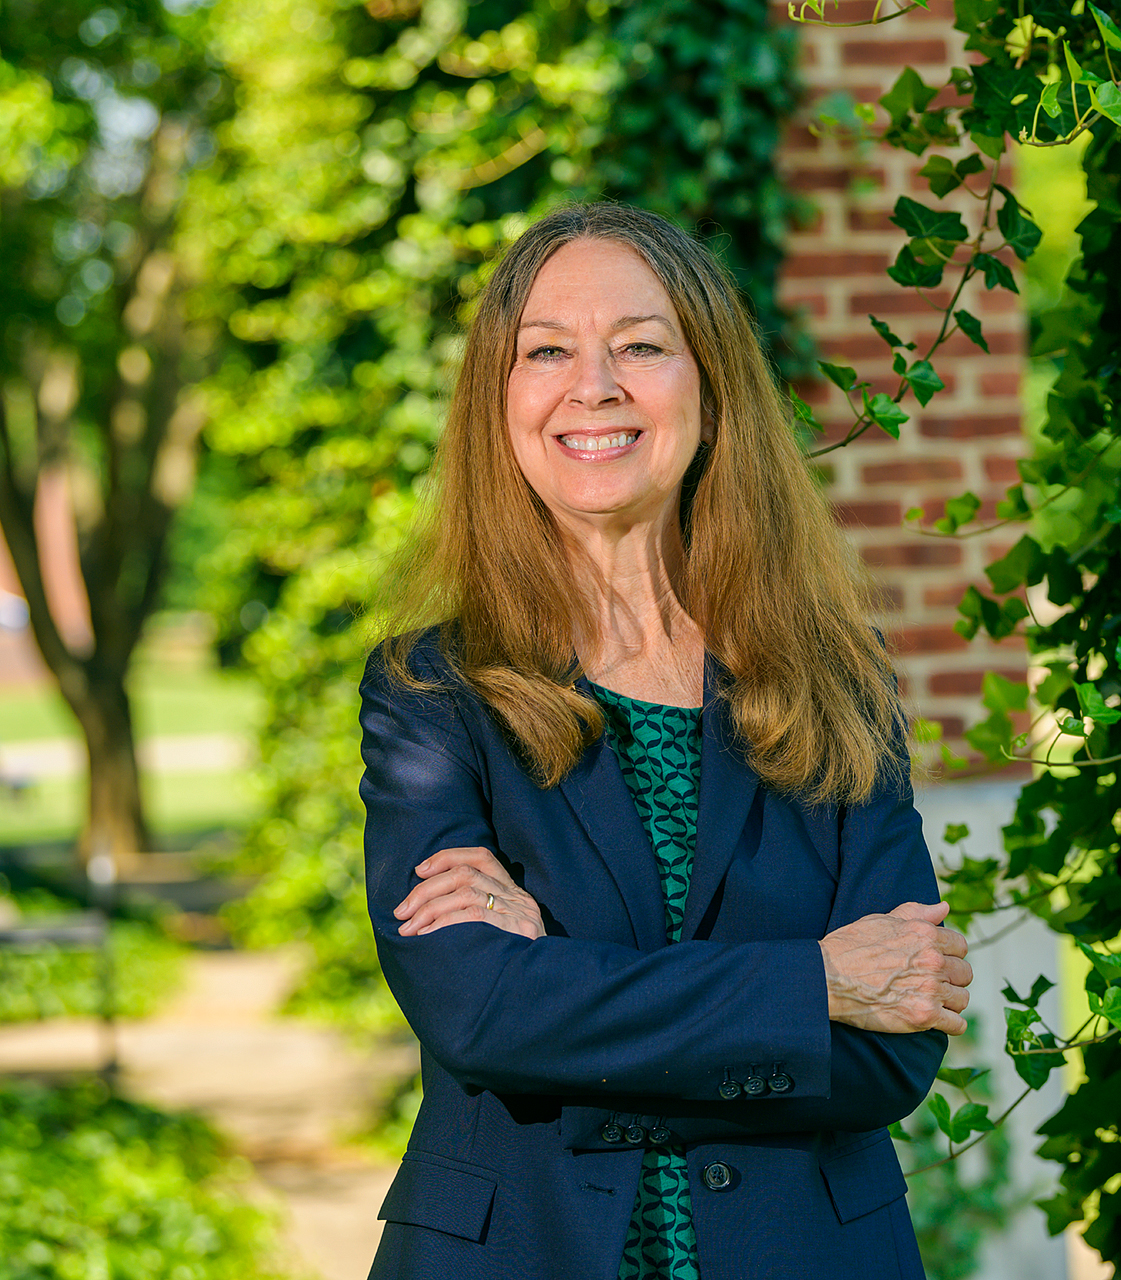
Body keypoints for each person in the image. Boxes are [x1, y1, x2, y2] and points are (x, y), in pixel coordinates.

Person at [358, 203, 972, 1280]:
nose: (592, 385)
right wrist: (811, 982)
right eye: (546, 350)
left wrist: (567, 987)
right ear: (498, 400)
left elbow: (893, 1045)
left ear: (711, 382)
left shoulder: (836, 675)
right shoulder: (430, 694)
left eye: (640, 345)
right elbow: (480, 1008)